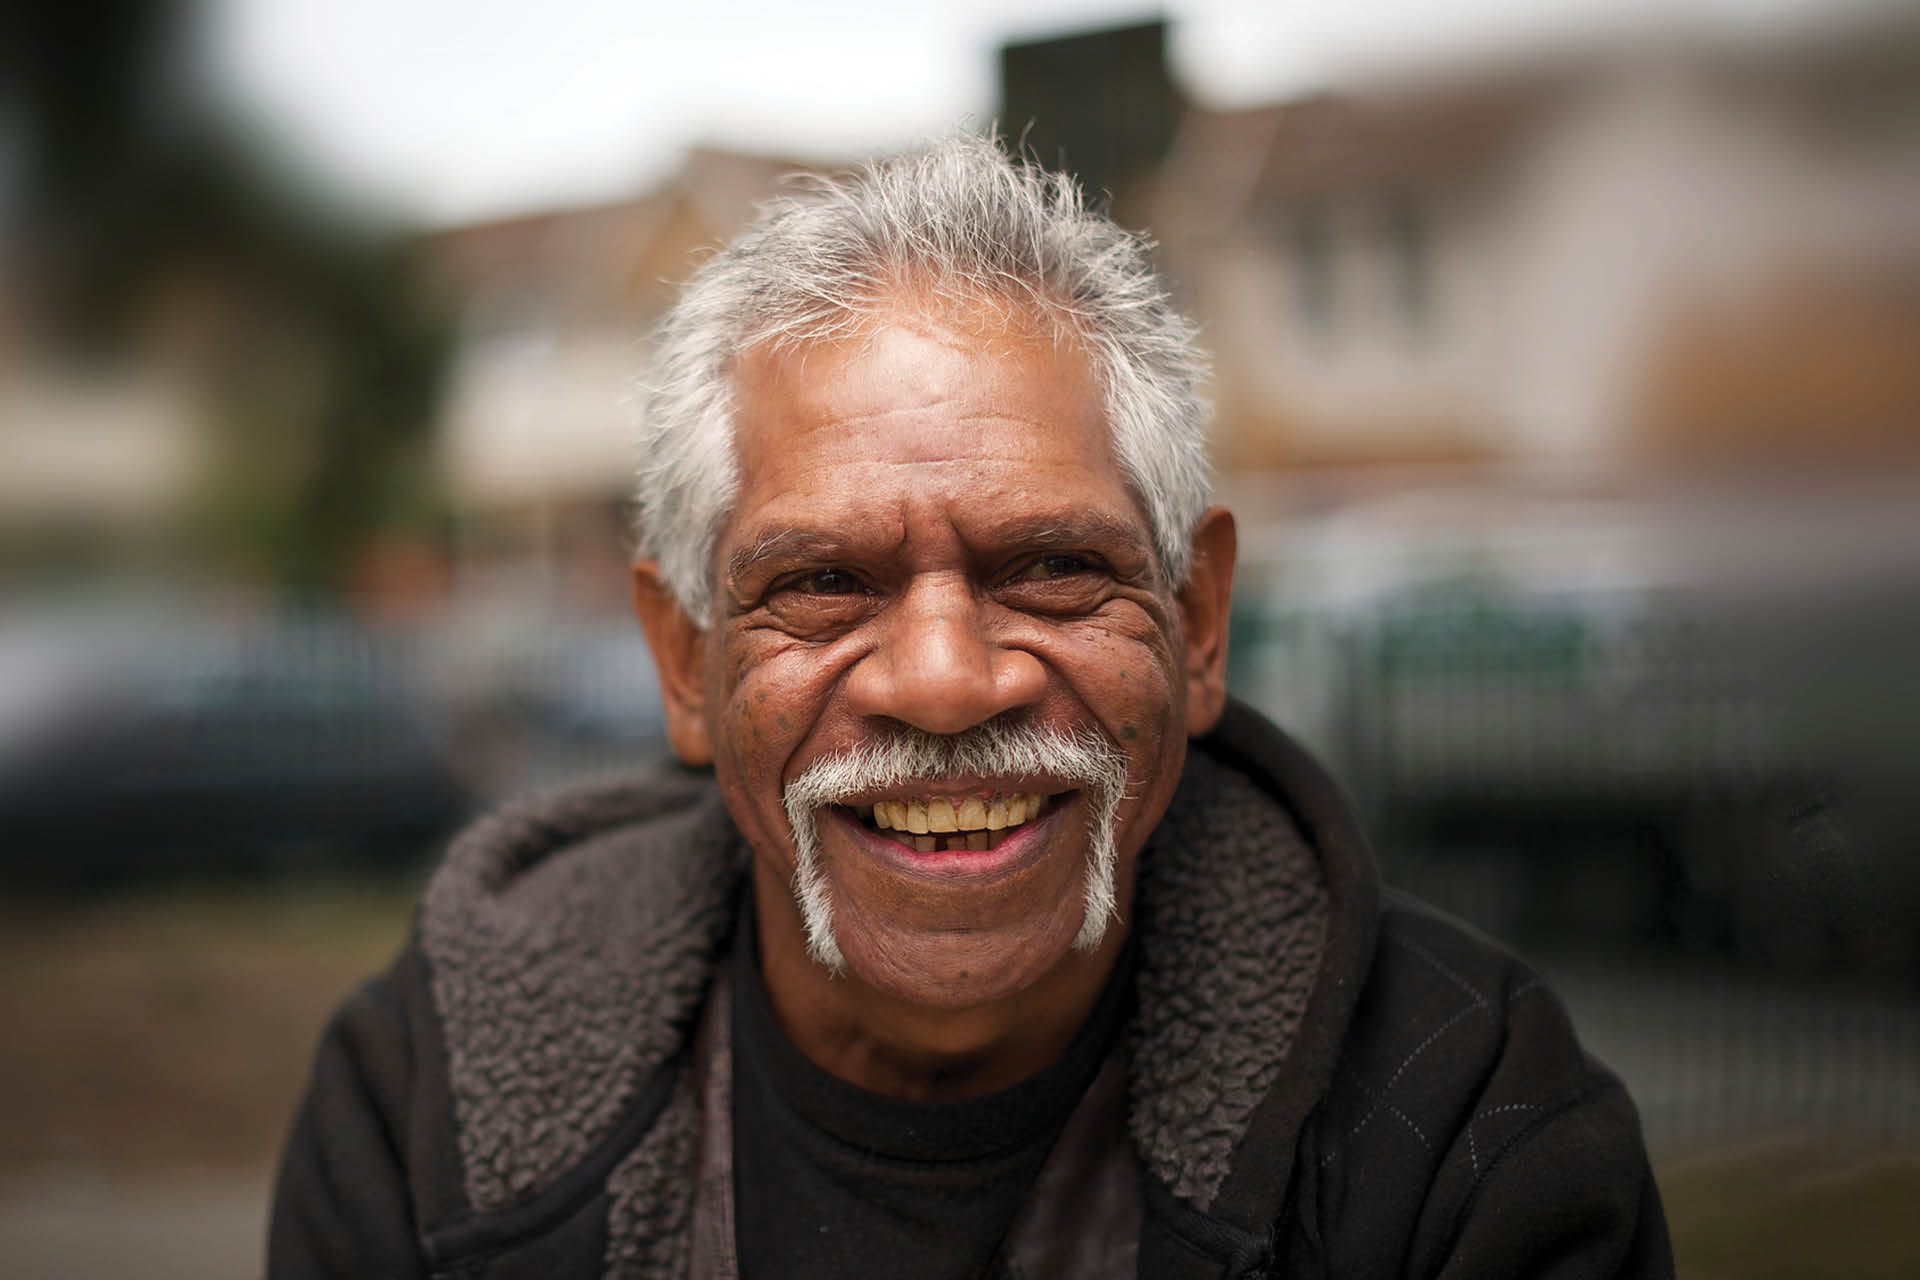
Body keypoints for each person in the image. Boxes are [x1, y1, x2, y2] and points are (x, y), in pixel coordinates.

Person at [269, 135, 1671, 1279]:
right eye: (821, 583)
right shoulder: (431, 1097)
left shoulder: (1466, 1124)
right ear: (679, 662)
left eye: (1054, 567)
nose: (944, 683)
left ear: (1194, 625)